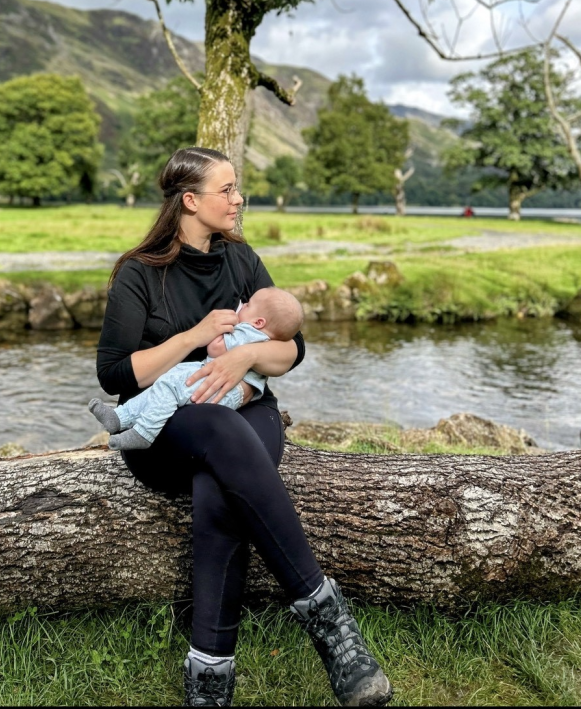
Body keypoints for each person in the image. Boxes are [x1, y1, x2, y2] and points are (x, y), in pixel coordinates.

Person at [96, 147, 393, 708]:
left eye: (238, 190)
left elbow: (292, 348)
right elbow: (114, 374)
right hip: (164, 429)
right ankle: (331, 625)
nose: (238, 201)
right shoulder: (138, 274)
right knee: (221, 439)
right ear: (190, 200)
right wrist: (192, 337)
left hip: (245, 407)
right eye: (227, 190)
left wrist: (240, 360)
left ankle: (209, 677)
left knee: (220, 487)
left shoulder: (241, 260)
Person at [90, 286, 304, 450]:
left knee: (169, 388)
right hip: (223, 387)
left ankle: (144, 432)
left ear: (258, 321)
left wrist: (221, 329)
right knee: (166, 383)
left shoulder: (248, 333)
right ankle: (119, 417)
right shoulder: (263, 336)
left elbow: (216, 348)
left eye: (247, 305)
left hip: (222, 388)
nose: (242, 305)